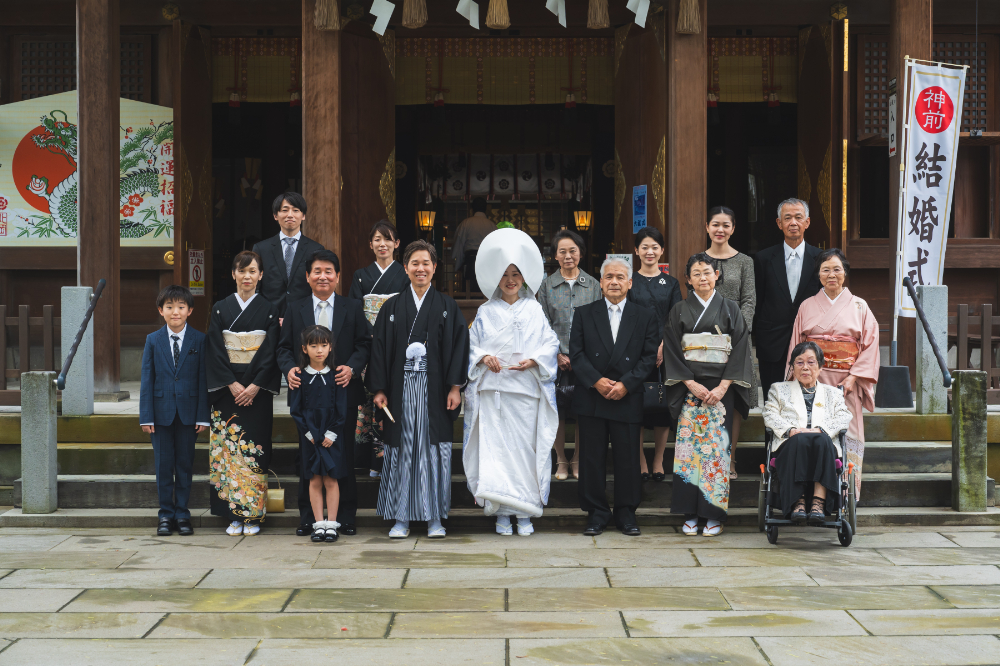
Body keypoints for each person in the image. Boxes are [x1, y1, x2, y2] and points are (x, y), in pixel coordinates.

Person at [368, 240, 470, 539]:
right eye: (415, 263)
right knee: (402, 450)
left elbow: (458, 348)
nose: (421, 268)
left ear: (435, 268)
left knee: (433, 452)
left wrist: (455, 387)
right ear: (406, 268)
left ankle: (434, 518)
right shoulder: (392, 307)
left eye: (426, 263)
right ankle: (401, 517)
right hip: (400, 391)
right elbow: (380, 350)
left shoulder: (447, 306)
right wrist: (379, 388)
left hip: (435, 390)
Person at [463, 229, 560, 536]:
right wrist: (482, 357)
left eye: (516, 274)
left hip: (525, 391)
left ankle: (526, 511)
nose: (510, 280)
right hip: (494, 392)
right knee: (496, 453)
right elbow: (471, 345)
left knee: (524, 452)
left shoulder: (534, 309)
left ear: (523, 277)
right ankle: (501, 512)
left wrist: (536, 360)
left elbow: (551, 343)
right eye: (504, 274)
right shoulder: (484, 311)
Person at [277, 249, 372, 538]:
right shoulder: (295, 307)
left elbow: (364, 345)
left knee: (343, 454)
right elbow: (282, 348)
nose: (323, 276)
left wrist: (352, 369)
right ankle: (309, 517)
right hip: (307, 398)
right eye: (317, 271)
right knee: (308, 456)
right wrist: (290, 369)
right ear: (307, 276)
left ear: (338, 276)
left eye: (329, 271)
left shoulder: (352, 307)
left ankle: (344, 516)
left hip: (342, 393)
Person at [663, 253, 753, 538]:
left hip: (720, 391)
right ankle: (690, 513)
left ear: (717, 276)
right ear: (688, 280)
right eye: (696, 273)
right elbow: (673, 350)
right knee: (688, 453)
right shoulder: (679, 310)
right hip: (690, 389)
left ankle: (713, 513)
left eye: (707, 272)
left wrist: (724, 387)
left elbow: (739, 348)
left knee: (716, 453)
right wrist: (690, 383)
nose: (703, 277)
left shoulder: (730, 309)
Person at [569, 257, 660, 537]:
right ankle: (596, 513)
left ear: (630, 283)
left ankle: (626, 513)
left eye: (620, 277)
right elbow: (576, 353)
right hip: (592, 396)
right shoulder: (584, 313)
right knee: (592, 459)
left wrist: (626, 384)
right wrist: (596, 381)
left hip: (627, 396)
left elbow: (648, 358)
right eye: (609, 277)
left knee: (628, 459)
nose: (614, 282)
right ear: (600, 283)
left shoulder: (644, 315)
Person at [786, 248, 879, 499]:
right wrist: (798, 377)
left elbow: (869, 345)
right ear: (818, 275)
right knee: (810, 428)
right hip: (811, 377)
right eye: (825, 269)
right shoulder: (807, 305)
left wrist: (853, 377)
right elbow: (797, 344)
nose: (831, 274)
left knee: (848, 432)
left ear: (845, 273)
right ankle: (809, 493)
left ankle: (846, 494)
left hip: (846, 380)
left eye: (837, 269)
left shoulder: (860, 306)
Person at [205, 251, 281, 536]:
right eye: (242, 271)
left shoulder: (270, 309)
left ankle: (253, 515)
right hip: (228, 391)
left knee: (255, 450)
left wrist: (255, 386)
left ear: (261, 275)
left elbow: (271, 351)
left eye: (253, 271)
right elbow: (214, 348)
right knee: (227, 451)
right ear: (234, 274)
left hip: (256, 391)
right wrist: (231, 383)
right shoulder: (220, 308)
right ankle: (232, 515)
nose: (247, 276)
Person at [140, 285, 210, 537]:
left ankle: (182, 514)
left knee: (184, 464)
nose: (175, 312)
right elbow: (147, 380)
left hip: (190, 414)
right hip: (160, 415)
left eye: (181, 307)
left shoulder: (200, 340)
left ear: (190, 310)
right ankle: (165, 515)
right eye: (169, 307)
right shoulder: (153, 340)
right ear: (161, 310)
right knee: (163, 465)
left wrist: (204, 415)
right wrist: (146, 416)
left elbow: (203, 380)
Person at [536, 229, 602, 480]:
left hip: (586, 360)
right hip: (556, 359)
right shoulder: (546, 286)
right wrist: (557, 354)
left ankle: (577, 460)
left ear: (581, 254)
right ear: (555, 255)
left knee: (583, 411)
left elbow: (598, 324)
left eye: (572, 250)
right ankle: (561, 460)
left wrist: (582, 357)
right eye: (562, 251)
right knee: (558, 413)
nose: (567, 256)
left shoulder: (594, 285)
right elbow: (542, 325)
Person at [348, 220, 411, 479]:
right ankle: (365, 459)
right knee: (365, 405)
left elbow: (409, 309)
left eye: (387, 239)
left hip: (395, 348)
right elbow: (354, 310)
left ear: (397, 244)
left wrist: (386, 334)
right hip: (367, 348)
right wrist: (369, 334)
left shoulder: (405, 274)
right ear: (371, 245)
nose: (382, 244)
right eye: (377, 239)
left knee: (391, 401)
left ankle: (387, 459)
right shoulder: (361, 275)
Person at [764, 342, 853, 522]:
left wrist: (821, 429)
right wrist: (791, 430)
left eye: (811, 362)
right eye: (799, 362)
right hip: (790, 443)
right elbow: (769, 413)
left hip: (823, 446)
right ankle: (798, 501)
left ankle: (818, 502)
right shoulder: (778, 389)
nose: (805, 367)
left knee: (821, 440)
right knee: (800, 440)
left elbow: (844, 416)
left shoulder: (833, 393)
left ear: (820, 367)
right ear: (792, 367)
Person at [704, 206, 758, 480]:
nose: (720, 230)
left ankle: (731, 457)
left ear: (733, 228)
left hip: (737, 339)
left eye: (726, 225)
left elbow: (749, 300)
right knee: (708, 396)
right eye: (715, 224)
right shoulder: (699, 259)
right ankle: (709, 455)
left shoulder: (745, 261)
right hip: (704, 340)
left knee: (734, 399)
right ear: (707, 227)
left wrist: (737, 332)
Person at [753, 198, 822, 399]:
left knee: (807, 399)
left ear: (807, 222)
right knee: (773, 399)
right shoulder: (763, 259)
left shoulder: (820, 258)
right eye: (788, 218)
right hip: (772, 341)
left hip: (808, 341)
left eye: (798, 217)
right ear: (779, 223)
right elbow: (758, 300)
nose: (793, 222)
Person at [628, 227, 682, 482]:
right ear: (636, 251)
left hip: (664, 353)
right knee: (636, 405)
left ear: (662, 251)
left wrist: (663, 345)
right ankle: (639, 459)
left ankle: (658, 459)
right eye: (644, 247)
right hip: (634, 353)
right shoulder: (628, 280)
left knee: (662, 406)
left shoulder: (670, 283)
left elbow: (675, 318)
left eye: (655, 247)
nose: (650, 252)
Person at [290, 325, 351, 543]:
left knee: (331, 479)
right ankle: (318, 524)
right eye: (313, 345)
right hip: (310, 436)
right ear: (304, 348)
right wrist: (308, 433)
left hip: (331, 435)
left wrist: (332, 434)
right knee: (314, 479)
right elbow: (295, 410)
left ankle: (332, 524)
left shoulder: (337, 376)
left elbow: (342, 409)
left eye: (323, 345)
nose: (319, 350)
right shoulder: (299, 377)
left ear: (330, 347)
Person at [252, 192, 324, 321]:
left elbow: (319, 287)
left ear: (303, 216)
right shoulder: (261, 249)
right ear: (275, 215)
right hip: (270, 320)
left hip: (304, 319)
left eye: (295, 210)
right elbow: (256, 287)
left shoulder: (316, 249)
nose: (290, 215)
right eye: (284, 210)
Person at [451, 197, 497, 293]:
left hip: (470, 261)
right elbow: (496, 250)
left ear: (472, 209)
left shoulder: (466, 223)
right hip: (486, 263)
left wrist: (458, 263)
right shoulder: (492, 226)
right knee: (485, 292)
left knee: (469, 291)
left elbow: (459, 245)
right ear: (486, 209)